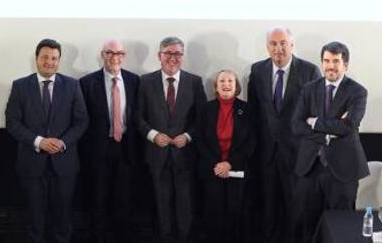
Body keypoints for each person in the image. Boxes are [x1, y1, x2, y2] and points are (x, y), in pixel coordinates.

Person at [5, 38, 88, 243]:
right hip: (31, 165)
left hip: (64, 164)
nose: (49, 62)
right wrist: (39, 141)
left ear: (59, 60)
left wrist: (62, 142)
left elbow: (81, 121)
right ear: (36, 59)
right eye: (45, 57)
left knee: (63, 219)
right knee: (35, 220)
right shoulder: (20, 86)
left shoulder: (72, 85)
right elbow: (12, 123)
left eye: (54, 58)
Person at [247, 27, 321, 243]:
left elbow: (317, 114)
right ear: (267, 46)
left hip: (297, 154)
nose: (278, 48)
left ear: (292, 45)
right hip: (266, 154)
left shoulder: (310, 71)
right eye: (273, 43)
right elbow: (254, 112)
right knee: (268, 209)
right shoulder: (257, 70)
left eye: (283, 43)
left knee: (295, 209)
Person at [291, 41, 369, 243]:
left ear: (346, 65)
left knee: (342, 228)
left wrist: (315, 121)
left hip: (343, 169)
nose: (330, 66)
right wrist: (326, 133)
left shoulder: (358, 92)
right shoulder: (309, 89)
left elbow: (348, 126)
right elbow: (296, 125)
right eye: (326, 61)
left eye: (336, 61)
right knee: (307, 225)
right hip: (310, 167)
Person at [137, 36, 207, 243]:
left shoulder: (194, 81)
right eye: (168, 53)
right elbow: (137, 116)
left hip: (185, 155)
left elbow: (202, 118)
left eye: (177, 53)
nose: (173, 58)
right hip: (156, 154)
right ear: (159, 55)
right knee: (161, 204)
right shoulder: (145, 81)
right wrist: (153, 135)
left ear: (182, 57)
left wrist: (187, 136)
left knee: (185, 204)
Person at [79, 40, 139, 243]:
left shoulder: (134, 81)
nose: (115, 57)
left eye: (119, 53)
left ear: (124, 56)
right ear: (102, 55)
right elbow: (83, 120)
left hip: (126, 150)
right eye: (110, 53)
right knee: (98, 200)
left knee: (124, 201)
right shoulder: (86, 83)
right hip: (98, 150)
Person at [197, 70, 256, 243]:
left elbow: (251, 141)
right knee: (214, 213)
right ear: (216, 87)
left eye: (230, 80)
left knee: (235, 212)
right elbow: (199, 139)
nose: (226, 84)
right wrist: (217, 164)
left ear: (236, 86)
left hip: (237, 169)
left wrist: (229, 164)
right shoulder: (206, 109)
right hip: (212, 169)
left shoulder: (247, 109)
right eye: (222, 81)